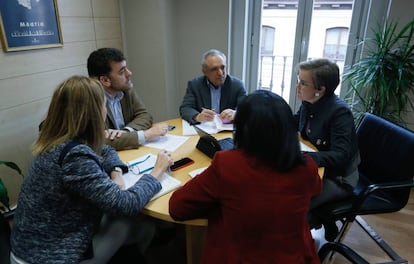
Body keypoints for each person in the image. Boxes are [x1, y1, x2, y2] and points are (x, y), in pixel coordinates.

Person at [10, 76, 174, 263]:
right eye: (104, 105)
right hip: (49, 256)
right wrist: (157, 170)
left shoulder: (56, 140)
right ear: (93, 112)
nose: (105, 110)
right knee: (131, 224)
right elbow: (126, 204)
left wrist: (116, 171)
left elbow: (105, 148)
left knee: (138, 226)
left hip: (33, 244)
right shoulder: (74, 157)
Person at [170, 90, 322, 263]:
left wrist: (222, 202)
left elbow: (177, 207)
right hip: (293, 256)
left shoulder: (228, 164)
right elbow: (315, 190)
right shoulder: (306, 166)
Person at [294, 58, 360, 240]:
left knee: (292, 203)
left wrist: (305, 157)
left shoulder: (339, 113)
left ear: (320, 89)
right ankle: (324, 220)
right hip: (319, 169)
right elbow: (295, 122)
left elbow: (341, 156)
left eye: (303, 83)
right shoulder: (310, 101)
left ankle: (299, 240)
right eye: (298, 79)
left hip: (339, 177)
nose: (297, 86)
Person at [87, 47, 169, 150]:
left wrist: (126, 131)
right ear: (105, 80)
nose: (129, 73)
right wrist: (145, 135)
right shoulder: (89, 100)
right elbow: (100, 140)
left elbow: (145, 116)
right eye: (122, 72)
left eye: (126, 68)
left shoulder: (126, 89)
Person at [179, 49, 247, 125]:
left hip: (227, 131)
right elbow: (185, 108)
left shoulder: (237, 85)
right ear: (205, 71)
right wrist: (198, 116)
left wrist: (236, 113)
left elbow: (247, 109)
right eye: (214, 69)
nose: (220, 73)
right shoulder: (195, 85)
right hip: (205, 130)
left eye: (222, 67)